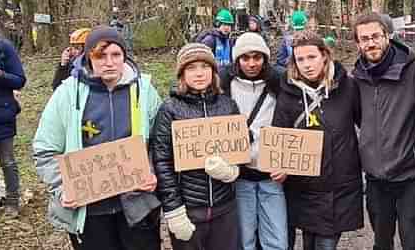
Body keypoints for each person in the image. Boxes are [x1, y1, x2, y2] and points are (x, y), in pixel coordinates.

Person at [33, 26, 162, 249]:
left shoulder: (145, 91)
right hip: (90, 211)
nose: (109, 62)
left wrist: (152, 171)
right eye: (100, 55)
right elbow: (45, 150)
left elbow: (160, 143)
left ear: (125, 56)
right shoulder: (66, 94)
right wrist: (63, 187)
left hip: (137, 206)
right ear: (88, 56)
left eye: (116, 55)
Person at [273, 31, 363, 250]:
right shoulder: (287, 94)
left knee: (326, 243)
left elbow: (367, 125)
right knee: (309, 242)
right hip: (304, 189)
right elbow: (279, 138)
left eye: (311, 57)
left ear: (324, 55)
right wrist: (280, 167)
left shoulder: (348, 87)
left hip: (339, 186)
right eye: (300, 59)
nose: (306, 64)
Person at [152, 43, 241, 250]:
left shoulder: (228, 105)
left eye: (204, 67)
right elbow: (162, 162)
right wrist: (174, 210)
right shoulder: (170, 109)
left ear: (213, 71)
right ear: (182, 74)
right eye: (191, 68)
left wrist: (231, 171)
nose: (199, 73)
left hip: (224, 208)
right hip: (189, 211)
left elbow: (239, 149)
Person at [352, 13, 415, 250]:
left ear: (388, 36)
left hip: (409, 177)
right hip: (375, 180)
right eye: (364, 39)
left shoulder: (413, 71)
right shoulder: (358, 77)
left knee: (412, 242)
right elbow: (358, 118)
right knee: (381, 242)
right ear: (358, 43)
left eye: (375, 36)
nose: (371, 43)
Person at [219, 33, 287, 250]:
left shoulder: (279, 82)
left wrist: (286, 161)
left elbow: (290, 122)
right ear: (237, 59)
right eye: (245, 58)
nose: (251, 63)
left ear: (264, 58)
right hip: (240, 175)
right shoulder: (225, 84)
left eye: (256, 57)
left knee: (277, 239)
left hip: (271, 174)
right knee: (244, 238)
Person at [0, 21, 26, 220]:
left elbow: (20, 79)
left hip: (2, 115)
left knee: (8, 162)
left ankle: (13, 202)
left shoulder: (3, 47)